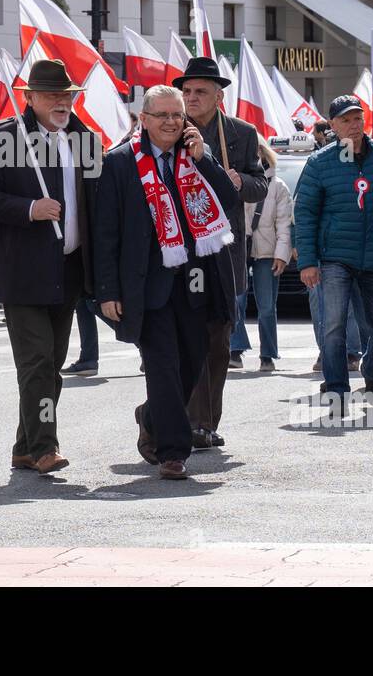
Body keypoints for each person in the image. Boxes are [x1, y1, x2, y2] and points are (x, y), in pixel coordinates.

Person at [93, 85, 237, 479]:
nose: (173, 122)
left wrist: (204, 159)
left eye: (178, 116)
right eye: (163, 116)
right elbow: (105, 232)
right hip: (147, 285)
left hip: (195, 282)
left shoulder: (194, 158)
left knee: (192, 363)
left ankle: (152, 415)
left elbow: (229, 200)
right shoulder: (120, 163)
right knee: (162, 366)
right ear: (144, 120)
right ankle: (173, 452)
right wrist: (107, 291)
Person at [0, 58, 100, 476]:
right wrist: (30, 208)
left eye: (67, 95)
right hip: (24, 270)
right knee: (37, 362)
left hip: (70, 271)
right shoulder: (5, 137)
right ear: (31, 99)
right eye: (52, 96)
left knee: (51, 362)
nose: (61, 102)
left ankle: (24, 446)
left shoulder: (86, 138)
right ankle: (45, 446)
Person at [174, 57, 266, 448]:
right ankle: (180, 418)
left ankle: (207, 422)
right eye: (187, 91)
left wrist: (239, 180)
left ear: (218, 96)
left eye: (200, 92)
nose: (192, 98)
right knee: (183, 336)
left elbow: (260, 185)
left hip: (224, 251)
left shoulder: (242, 134)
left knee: (218, 338)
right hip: (180, 248)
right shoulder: (170, 128)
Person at [293, 94, 373, 407]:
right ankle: (337, 387)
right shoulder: (319, 162)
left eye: (357, 118)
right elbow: (305, 213)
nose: (353, 125)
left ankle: (371, 369)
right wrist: (308, 261)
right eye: (346, 120)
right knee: (333, 324)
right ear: (333, 126)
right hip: (334, 258)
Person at [233, 138, 292, 372]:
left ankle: (267, 354)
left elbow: (284, 224)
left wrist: (281, 255)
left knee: (266, 305)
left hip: (267, 252)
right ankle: (235, 350)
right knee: (235, 301)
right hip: (239, 248)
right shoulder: (234, 180)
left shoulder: (278, 186)